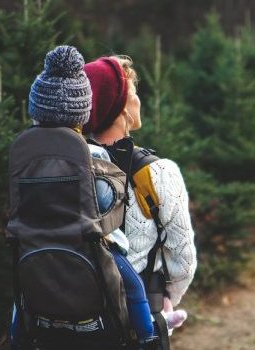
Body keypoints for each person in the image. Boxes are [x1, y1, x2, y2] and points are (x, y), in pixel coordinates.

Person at [83, 55, 197, 334]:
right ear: (121, 107)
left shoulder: (69, 167)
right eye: (133, 93)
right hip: (140, 319)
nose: (138, 100)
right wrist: (164, 302)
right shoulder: (159, 173)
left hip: (77, 318)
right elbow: (183, 262)